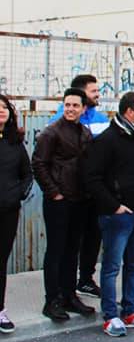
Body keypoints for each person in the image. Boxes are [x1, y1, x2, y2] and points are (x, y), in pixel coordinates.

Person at [84, 91, 134, 337]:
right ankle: (110, 316)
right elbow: (92, 178)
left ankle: (130, 310)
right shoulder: (107, 139)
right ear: (129, 112)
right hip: (118, 215)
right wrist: (114, 206)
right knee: (112, 266)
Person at [33, 88, 94, 322]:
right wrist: (54, 192)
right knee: (56, 250)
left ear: (83, 109)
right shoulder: (51, 133)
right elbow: (38, 164)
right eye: (67, 105)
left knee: (72, 250)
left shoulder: (85, 133)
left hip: (80, 200)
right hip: (59, 201)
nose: (70, 109)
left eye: (75, 106)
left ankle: (69, 295)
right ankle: (52, 300)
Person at [50, 75, 109, 300]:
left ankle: (85, 279)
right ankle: (60, 288)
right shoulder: (60, 121)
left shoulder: (101, 118)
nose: (98, 95)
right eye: (94, 91)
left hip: (94, 190)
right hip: (70, 192)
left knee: (93, 236)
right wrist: (55, 190)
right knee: (67, 242)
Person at [0, 95, 32, 334]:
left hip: (8, 210)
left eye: (4, 107)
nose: (1, 111)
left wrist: (18, 194)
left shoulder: (15, 142)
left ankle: (0, 310)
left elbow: (27, 173)